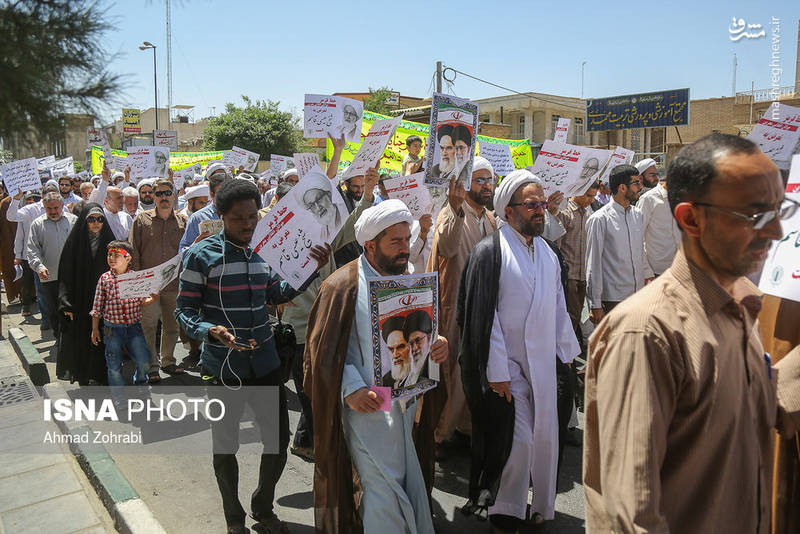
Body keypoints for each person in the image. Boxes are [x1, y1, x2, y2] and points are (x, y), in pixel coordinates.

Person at [583, 132, 800, 534]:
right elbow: (630, 521)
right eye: (756, 216)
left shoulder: (741, 311)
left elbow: (766, 406)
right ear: (690, 218)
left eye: (780, 212)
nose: (774, 234)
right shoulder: (647, 335)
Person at [175, 178, 330, 534]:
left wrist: (308, 268)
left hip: (265, 365)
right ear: (221, 215)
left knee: (276, 442)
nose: (246, 225)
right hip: (221, 368)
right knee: (225, 449)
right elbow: (184, 311)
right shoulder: (201, 256)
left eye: (251, 217)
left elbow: (277, 293)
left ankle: (263, 505)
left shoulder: (265, 251)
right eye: (237, 219)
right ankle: (234, 518)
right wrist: (207, 331)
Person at [304, 199, 448, 533]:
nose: (404, 249)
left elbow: (422, 329)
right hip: (367, 408)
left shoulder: (410, 278)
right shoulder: (343, 285)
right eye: (395, 242)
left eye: (406, 239)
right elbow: (320, 352)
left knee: (405, 479)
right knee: (381, 490)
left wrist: (436, 344)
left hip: (405, 407)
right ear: (371, 245)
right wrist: (350, 388)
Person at [458, 170, 579, 532]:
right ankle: (505, 507)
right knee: (520, 440)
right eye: (532, 205)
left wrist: (566, 353)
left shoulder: (548, 252)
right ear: (509, 211)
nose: (540, 210)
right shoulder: (490, 252)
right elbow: (483, 317)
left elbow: (559, 308)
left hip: (543, 365)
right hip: (508, 367)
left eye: (542, 204)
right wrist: (496, 371)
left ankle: (542, 504)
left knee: (545, 439)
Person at [280, 148, 376, 463]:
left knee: (325, 390)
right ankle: (320, 451)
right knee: (310, 393)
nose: (320, 206)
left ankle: (311, 442)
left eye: (321, 201)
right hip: (299, 330)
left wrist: (369, 194)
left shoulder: (327, 232)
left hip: (329, 324)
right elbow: (276, 288)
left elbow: (354, 227)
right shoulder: (280, 238)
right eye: (312, 202)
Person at [426, 156, 497, 460]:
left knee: (475, 370)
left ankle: (464, 428)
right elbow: (447, 248)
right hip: (454, 306)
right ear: (466, 184)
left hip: (483, 308)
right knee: (450, 373)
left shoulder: (491, 219)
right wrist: (454, 209)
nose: (485, 185)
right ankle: (439, 435)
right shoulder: (451, 213)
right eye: (479, 180)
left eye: (489, 180)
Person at [130, 178, 188, 382]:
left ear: (174, 195)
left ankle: (168, 361)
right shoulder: (141, 220)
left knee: (172, 326)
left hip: (174, 285)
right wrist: (137, 284)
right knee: (149, 326)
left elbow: (187, 252)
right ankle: (152, 367)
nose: (164, 197)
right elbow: (134, 252)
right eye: (159, 194)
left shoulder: (183, 221)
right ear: (152, 197)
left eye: (167, 193)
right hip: (149, 286)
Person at [586, 164, 653, 324]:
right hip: (613, 299)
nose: (640, 187)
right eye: (636, 183)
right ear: (622, 187)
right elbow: (593, 264)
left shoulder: (637, 214)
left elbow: (640, 250)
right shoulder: (599, 219)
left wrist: (648, 275)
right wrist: (595, 304)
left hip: (638, 295)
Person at [57, 203, 115, 384]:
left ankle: (103, 374)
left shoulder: (110, 243)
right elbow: (65, 274)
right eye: (91, 219)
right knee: (83, 338)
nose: (96, 223)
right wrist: (65, 302)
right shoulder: (74, 243)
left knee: (105, 339)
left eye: (100, 219)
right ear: (84, 221)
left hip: (105, 301)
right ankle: (83, 374)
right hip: (81, 300)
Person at [90, 240, 155, 388]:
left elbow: (142, 300)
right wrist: (94, 329)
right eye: (109, 255)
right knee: (113, 365)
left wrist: (153, 298)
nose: (111, 258)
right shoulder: (105, 279)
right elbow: (97, 306)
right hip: (112, 329)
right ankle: (119, 397)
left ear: (128, 258)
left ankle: (141, 383)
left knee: (143, 360)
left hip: (134, 327)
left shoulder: (135, 278)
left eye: (116, 255)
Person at [26, 192, 77, 344]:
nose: (53, 211)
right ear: (44, 207)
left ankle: (73, 341)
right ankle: (59, 340)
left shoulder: (73, 221)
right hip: (50, 277)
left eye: (56, 208)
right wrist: (39, 266)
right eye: (49, 209)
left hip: (71, 277)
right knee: (54, 311)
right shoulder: (37, 224)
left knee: (73, 310)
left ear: (62, 205)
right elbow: (32, 250)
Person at [178, 163, 231, 254]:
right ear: (211, 194)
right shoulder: (197, 218)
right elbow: (183, 253)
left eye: (229, 192)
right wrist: (196, 245)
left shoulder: (243, 216)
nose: (225, 197)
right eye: (220, 193)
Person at [638, 175, 681, 276]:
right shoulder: (649, 199)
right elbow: (637, 237)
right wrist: (647, 272)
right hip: (655, 271)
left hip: (678, 269)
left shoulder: (682, 198)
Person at [88, 165, 134, 241]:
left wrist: (126, 180)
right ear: (106, 201)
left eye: (122, 198)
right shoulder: (100, 217)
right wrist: (104, 180)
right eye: (118, 199)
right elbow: (93, 204)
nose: (122, 201)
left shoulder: (126, 217)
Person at [300, 170, 342, 243]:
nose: (318, 207)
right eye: (312, 205)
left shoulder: (344, 212)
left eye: (318, 199)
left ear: (329, 194)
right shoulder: (320, 232)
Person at [380, 316, 412, 388]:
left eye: (400, 347)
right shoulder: (385, 382)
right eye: (391, 349)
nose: (395, 355)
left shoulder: (424, 373)